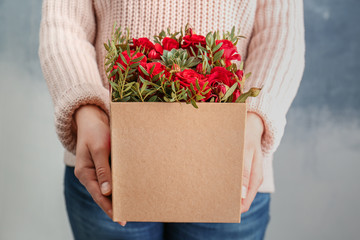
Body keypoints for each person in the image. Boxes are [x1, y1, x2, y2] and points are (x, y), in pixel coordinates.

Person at [39, 0, 305, 239]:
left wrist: (255, 119)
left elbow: (280, 32)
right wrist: (86, 110)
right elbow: (64, 22)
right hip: (108, 155)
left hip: (231, 163)